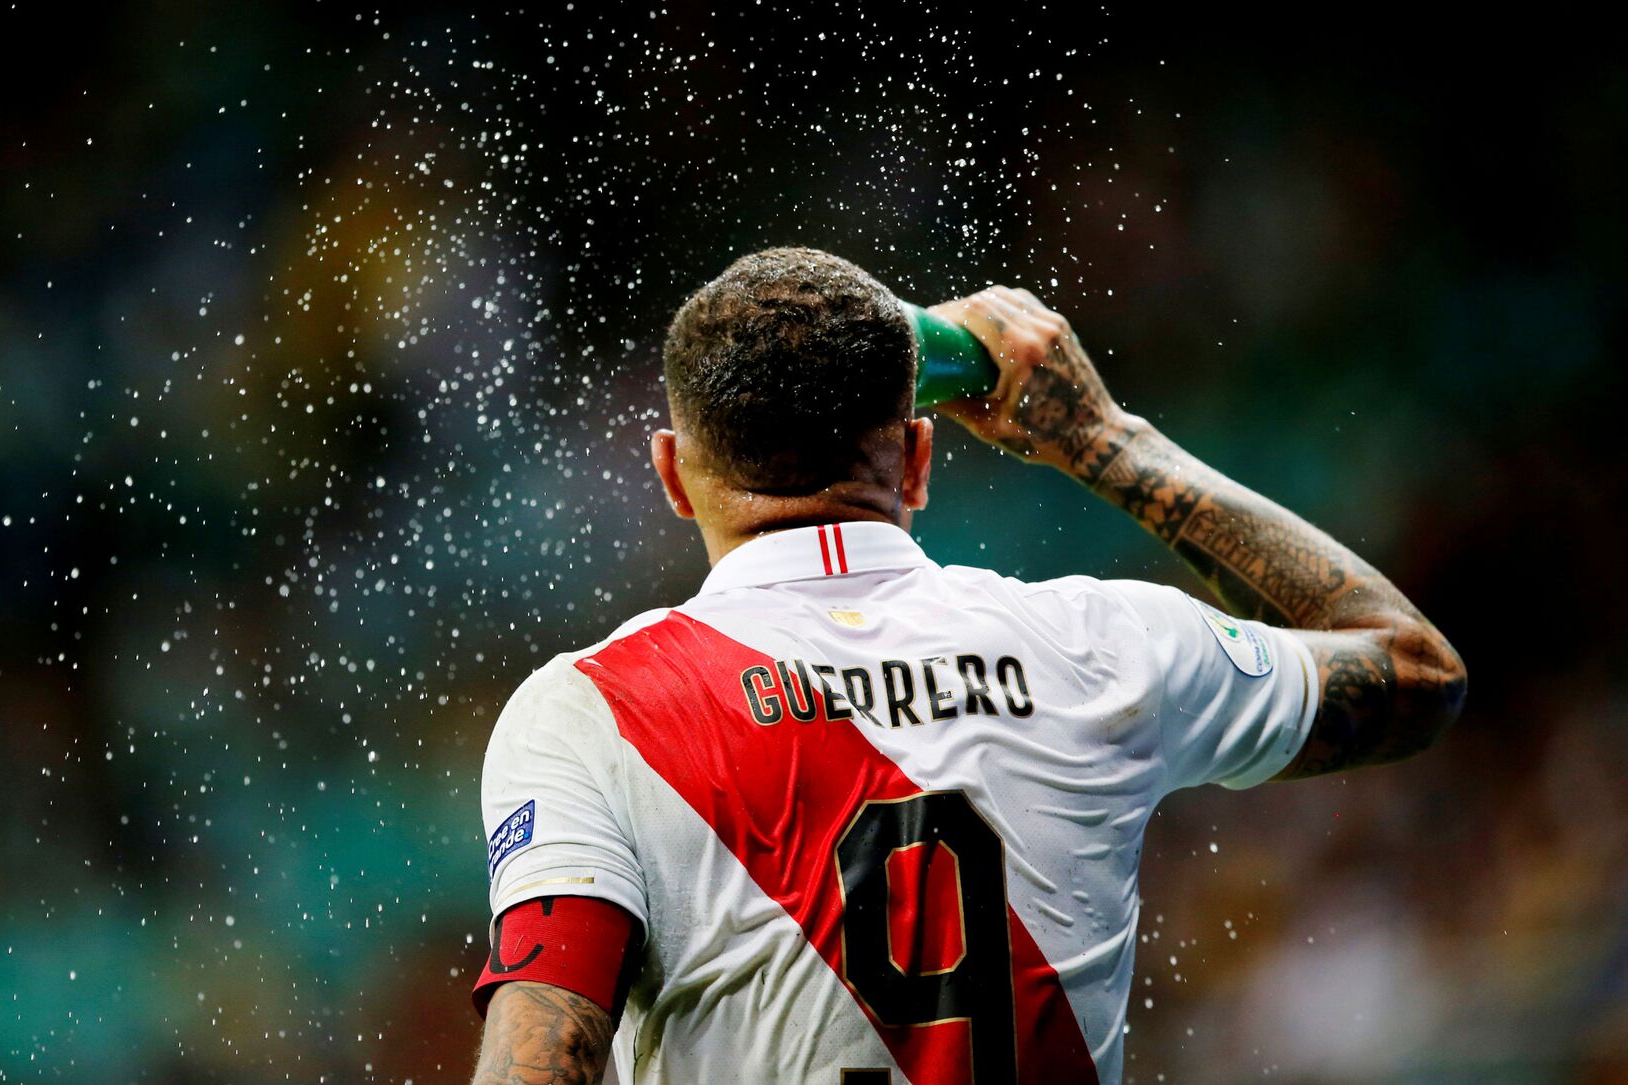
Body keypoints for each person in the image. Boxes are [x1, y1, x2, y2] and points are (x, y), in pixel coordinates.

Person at [464, 247, 1466, 1085]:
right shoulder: (1103, 641)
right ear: (918, 458)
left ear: (673, 475)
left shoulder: (593, 710)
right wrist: (1104, 439)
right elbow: (1414, 670)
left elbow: (543, 1058)